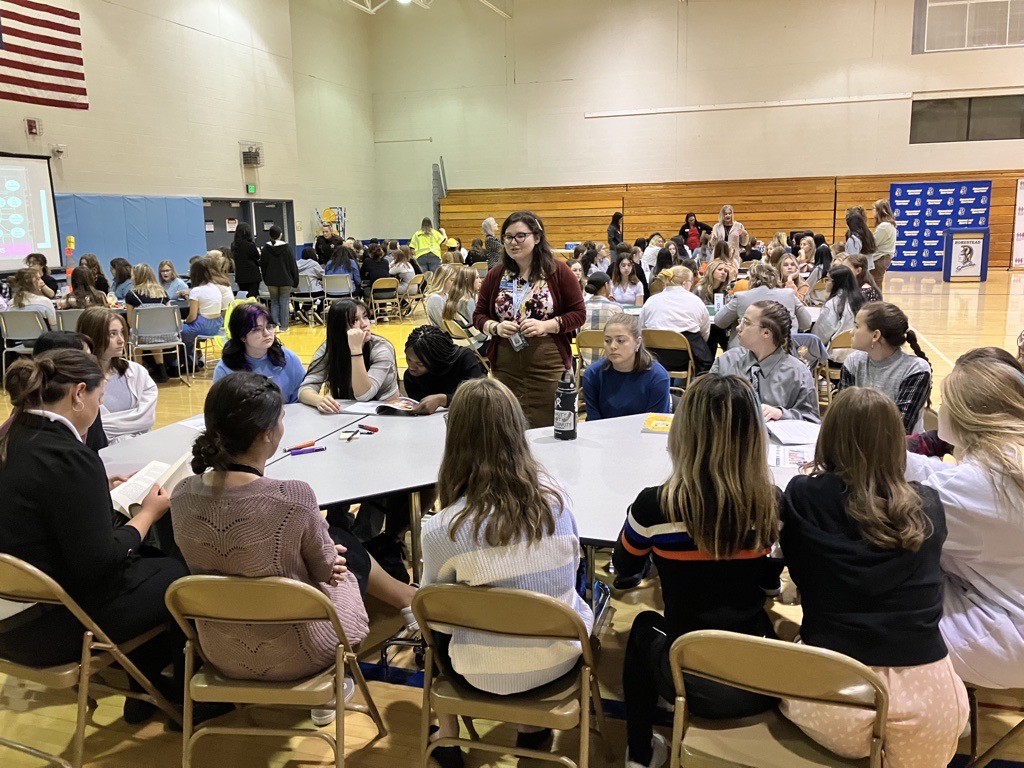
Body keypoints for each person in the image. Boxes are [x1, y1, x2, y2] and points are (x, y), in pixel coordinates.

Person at [171, 372, 416, 724]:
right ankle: (334, 681)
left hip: (222, 651)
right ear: (266, 434)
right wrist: (331, 557)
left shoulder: (182, 495)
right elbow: (325, 571)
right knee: (342, 563)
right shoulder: (293, 497)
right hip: (300, 652)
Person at [781, 387, 968, 766]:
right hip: (930, 702)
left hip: (833, 694)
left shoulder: (802, 495)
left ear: (829, 435)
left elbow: (798, 574)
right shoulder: (927, 504)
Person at [0, 349, 187, 725]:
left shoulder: (14, 436)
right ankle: (178, 695)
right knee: (176, 574)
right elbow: (98, 564)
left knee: (145, 564)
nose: (99, 409)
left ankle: (143, 691)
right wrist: (148, 514)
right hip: (49, 627)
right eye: (100, 399)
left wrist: (95, 491)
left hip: (10, 617)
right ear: (79, 393)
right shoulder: (68, 455)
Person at [422, 378, 593, 766]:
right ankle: (533, 732)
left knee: (428, 625)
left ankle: (447, 739)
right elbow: (572, 568)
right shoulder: (559, 498)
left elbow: (437, 616)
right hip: (560, 662)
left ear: (455, 439)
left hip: (479, 674)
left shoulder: (441, 529)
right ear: (519, 430)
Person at [615, 374, 781, 768]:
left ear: (683, 432)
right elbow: (770, 581)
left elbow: (625, 569)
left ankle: (639, 754)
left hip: (684, 676)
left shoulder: (653, 506)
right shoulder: (770, 503)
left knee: (641, 627)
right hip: (762, 678)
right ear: (753, 436)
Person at [901, 357, 1024, 690]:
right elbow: (946, 478)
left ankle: (933, 708)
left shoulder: (979, 484)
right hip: (1007, 603)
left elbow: (900, 513)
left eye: (943, 403)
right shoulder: (1007, 458)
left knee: (891, 582)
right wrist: (890, 454)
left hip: (1007, 637)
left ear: (961, 415)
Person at [471, 211, 586, 428]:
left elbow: (579, 314)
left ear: (537, 237)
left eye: (520, 236)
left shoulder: (558, 271)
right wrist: (495, 327)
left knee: (552, 426)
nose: (513, 242)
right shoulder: (497, 275)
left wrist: (546, 325)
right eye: (508, 237)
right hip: (506, 364)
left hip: (548, 364)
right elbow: (478, 316)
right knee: (509, 426)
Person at [710, 300, 820, 423]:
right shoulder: (726, 362)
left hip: (776, 440)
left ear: (766, 332)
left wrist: (781, 414)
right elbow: (704, 405)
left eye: (746, 323)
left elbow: (811, 420)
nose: (738, 327)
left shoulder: (798, 373)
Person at [838, 302, 931, 434]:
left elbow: (900, 428)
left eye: (857, 326)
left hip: (901, 449)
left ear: (875, 335)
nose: (851, 332)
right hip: (857, 443)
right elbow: (841, 414)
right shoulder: (853, 362)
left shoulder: (916, 370)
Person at [299, 299, 399, 411]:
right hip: (350, 413)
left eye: (365, 317)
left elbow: (364, 395)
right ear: (340, 327)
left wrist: (356, 350)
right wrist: (318, 400)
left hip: (386, 412)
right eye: (355, 320)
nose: (365, 324)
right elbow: (305, 389)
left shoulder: (381, 348)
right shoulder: (330, 348)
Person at [76, 307, 158, 442]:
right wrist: (132, 423)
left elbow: (147, 419)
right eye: (112, 334)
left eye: (122, 333)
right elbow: (87, 428)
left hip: (142, 444)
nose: (121, 340)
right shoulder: (77, 381)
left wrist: (107, 427)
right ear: (92, 337)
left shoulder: (137, 372)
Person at [583, 313, 670, 420]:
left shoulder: (658, 377)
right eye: (607, 340)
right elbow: (593, 422)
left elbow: (654, 426)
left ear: (637, 342)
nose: (613, 346)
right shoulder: (592, 374)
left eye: (620, 341)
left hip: (643, 435)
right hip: (602, 433)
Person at [214, 303, 305, 403]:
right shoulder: (225, 369)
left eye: (269, 326)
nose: (266, 333)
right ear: (242, 336)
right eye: (257, 329)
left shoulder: (289, 358)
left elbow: (302, 395)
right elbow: (220, 409)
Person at [714, 263, 810, 349]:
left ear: (751, 279)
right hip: (786, 351)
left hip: (745, 354)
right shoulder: (789, 294)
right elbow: (806, 323)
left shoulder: (741, 297)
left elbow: (719, 322)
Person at [639, 266, 713, 374]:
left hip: (653, 356)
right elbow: (705, 332)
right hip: (684, 358)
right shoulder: (696, 301)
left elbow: (641, 327)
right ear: (685, 283)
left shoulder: (651, 301)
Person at [403, 325, 486, 414]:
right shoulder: (411, 377)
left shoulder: (463, 359)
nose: (411, 367)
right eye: (408, 359)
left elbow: (480, 396)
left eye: (420, 364)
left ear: (436, 359)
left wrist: (443, 399)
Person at [124, 264, 173, 383]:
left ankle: (139, 374)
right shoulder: (162, 293)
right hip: (166, 336)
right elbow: (169, 316)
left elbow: (131, 321)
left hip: (142, 336)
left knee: (136, 333)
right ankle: (162, 371)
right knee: (155, 331)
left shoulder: (132, 294)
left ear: (137, 277)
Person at [180, 259, 225, 367]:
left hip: (202, 325)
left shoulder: (196, 291)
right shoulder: (215, 288)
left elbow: (192, 316)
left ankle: (190, 360)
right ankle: (198, 354)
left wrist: (184, 321)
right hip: (217, 324)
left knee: (181, 330)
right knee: (191, 332)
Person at [814, 265, 864, 357]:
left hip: (837, 355)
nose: (825, 282)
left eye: (827, 279)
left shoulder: (832, 304)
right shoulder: (862, 300)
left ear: (836, 283)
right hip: (861, 352)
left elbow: (821, 335)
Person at [260, 225, 298, 333]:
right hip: (286, 280)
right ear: (280, 235)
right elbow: (292, 265)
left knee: (274, 302)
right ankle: (284, 327)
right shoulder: (287, 248)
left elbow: (263, 265)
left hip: (271, 280)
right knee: (284, 302)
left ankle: (274, 324)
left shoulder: (266, 249)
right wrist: (295, 280)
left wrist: (266, 278)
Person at [440, 265, 488, 350]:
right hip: (473, 345)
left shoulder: (454, 297)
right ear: (468, 281)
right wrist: (491, 336)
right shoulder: (467, 302)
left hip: (458, 343)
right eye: (477, 277)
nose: (480, 280)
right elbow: (478, 335)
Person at [229, 222, 263, 299]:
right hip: (252, 276)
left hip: (240, 276)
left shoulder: (234, 245)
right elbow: (256, 256)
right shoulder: (250, 245)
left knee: (243, 297)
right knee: (252, 298)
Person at [871, 199, 897, 288]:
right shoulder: (889, 224)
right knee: (876, 284)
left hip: (879, 258)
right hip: (883, 258)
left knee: (875, 286)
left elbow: (873, 244)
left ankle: (877, 301)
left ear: (880, 211)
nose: (872, 211)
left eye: (874, 209)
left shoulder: (884, 226)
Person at [425, 263, 458, 328]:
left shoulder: (446, 294)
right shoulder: (435, 298)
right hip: (444, 334)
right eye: (452, 280)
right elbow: (444, 325)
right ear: (442, 280)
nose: (455, 283)